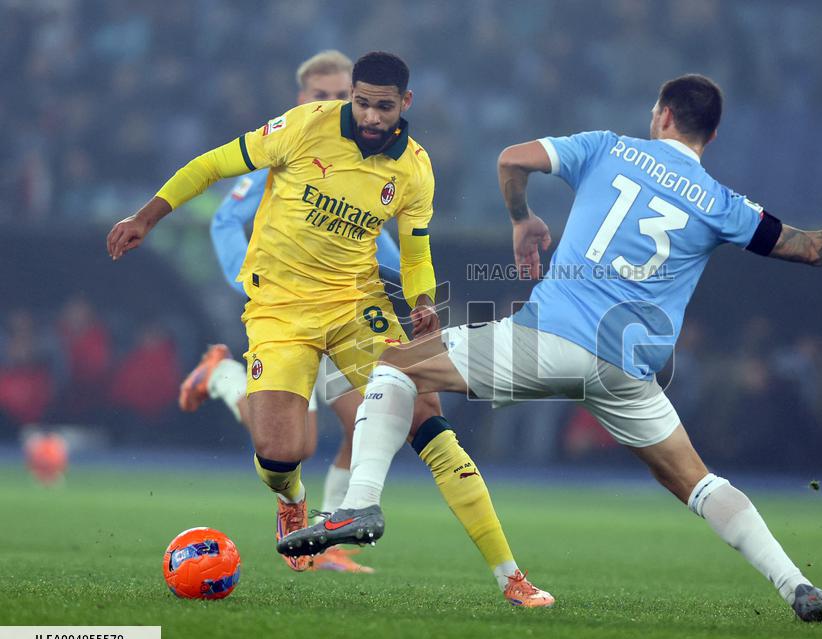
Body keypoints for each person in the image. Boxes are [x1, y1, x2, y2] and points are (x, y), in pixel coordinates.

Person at [278, 74, 822, 622]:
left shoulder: (609, 147)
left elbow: (511, 158)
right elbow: (815, 249)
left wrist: (523, 220)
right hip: (629, 372)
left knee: (396, 367)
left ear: (662, 115)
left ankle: (361, 502)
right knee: (698, 483)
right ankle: (798, 584)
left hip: (547, 340)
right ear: (709, 133)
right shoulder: (725, 202)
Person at [107, 51, 553, 607]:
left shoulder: (414, 167)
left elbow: (415, 251)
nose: (369, 115)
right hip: (280, 307)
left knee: (426, 418)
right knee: (280, 451)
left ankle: (511, 577)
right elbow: (212, 165)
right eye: (361, 102)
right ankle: (290, 498)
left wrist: (421, 301)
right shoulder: (301, 128)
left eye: (382, 106)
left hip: (356, 306)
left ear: (405, 104)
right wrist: (146, 216)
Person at [177, 50, 400, 574]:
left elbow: (376, 238)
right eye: (319, 96)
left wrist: (410, 292)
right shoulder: (286, 149)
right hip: (284, 308)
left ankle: (327, 538)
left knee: (364, 420)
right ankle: (225, 378)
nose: (330, 105)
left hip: (340, 308)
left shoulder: (362, 159)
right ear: (302, 99)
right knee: (293, 438)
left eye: (339, 96)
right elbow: (224, 221)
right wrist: (246, 280)